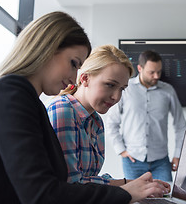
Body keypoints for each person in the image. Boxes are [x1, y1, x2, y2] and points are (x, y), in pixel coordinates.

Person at [0, 12, 169, 204]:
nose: (74, 78)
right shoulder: (11, 93)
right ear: (47, 48)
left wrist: (129, 188)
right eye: (73, 63)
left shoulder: (28, 101)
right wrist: (126, 192)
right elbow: (43, 194)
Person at [47, 44, 168, 187]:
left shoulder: (96, 122)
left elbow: (89, 179)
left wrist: (133, 184)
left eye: (122, 89)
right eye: (110, 85)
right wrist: (127, 185)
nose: (116, 97)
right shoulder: (63, 111)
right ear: (85, 78)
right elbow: (71, 184)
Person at [105, 50, 186, 182]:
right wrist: (121, 150)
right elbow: (112, 123)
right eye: (151, 72)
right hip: (132, 160)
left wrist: (178, 154)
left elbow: (181, 125)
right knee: (135, 200)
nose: (156, 76)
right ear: (140, 68)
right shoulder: (125, 88)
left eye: (159, 72)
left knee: (165, 198)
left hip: (161, 161)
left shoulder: (168, 91)